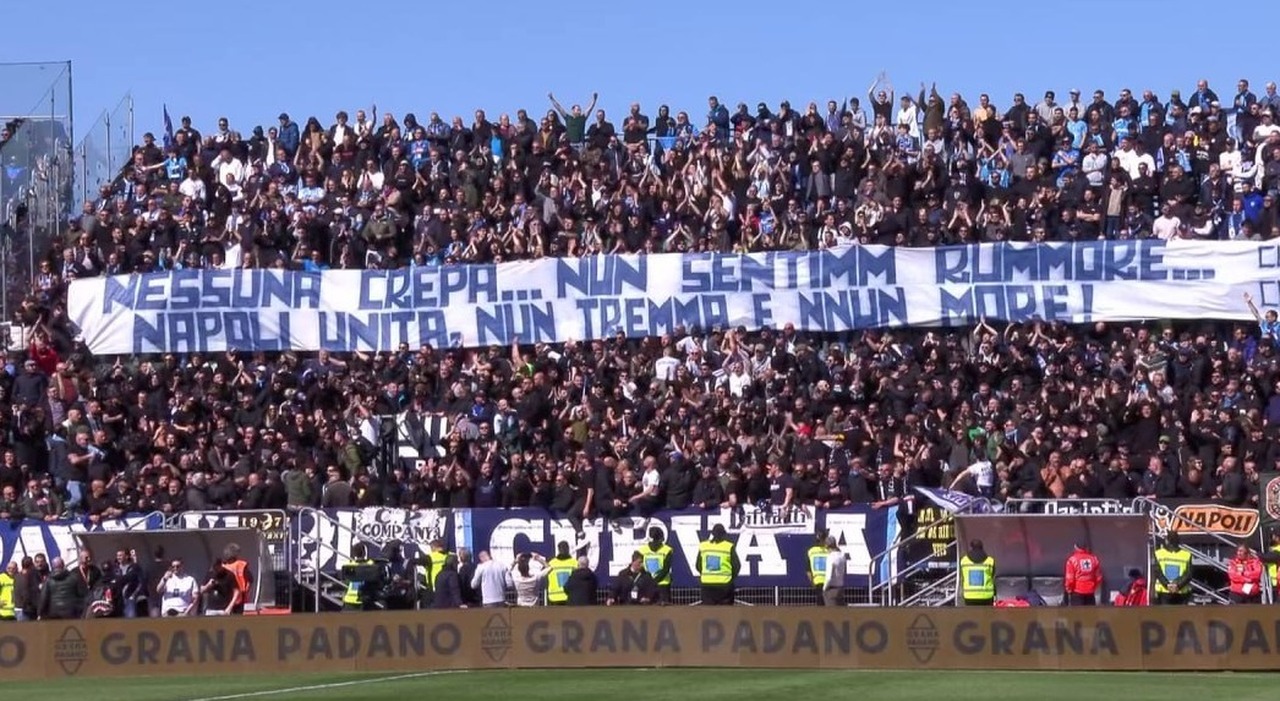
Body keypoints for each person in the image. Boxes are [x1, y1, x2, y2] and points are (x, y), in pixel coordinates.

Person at [697, 524, 739, 606]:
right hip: (724, 585)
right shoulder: (728, 546)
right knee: (726, 613)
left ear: (712, 534)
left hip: (707, 585)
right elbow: (736, 566)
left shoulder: (703, 546)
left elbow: (698, 565)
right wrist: (730, 577)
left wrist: (707, 574)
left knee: (708, 613)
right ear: (724, 534)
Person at [1153, 533, 1193, 605]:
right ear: (1178, 541)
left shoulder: (1158, 554)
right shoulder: (1187, 555)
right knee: (1181, 615)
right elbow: (1189, 574)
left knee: (1165, 616)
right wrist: (1177, 585)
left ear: (1167, 541)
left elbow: (1157, 572)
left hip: (1164, 592)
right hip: (1181, 592)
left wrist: (1167, 585)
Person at [340, 542, 380, 611]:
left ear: (353, 554)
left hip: (349, 600)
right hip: (362, 600)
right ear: (364, 553)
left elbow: (345, 582)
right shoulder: (370, 565)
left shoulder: (349, 566)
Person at [415, 538, 453, 609]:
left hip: (433, 588)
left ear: (433, 547)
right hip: (448, 587)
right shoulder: (450, 555)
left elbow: (416, 561)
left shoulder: (429, 557)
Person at [640, 527, 673, 605]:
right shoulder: (667, 550)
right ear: (662, 537)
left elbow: (640, 568)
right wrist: (656, 580)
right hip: (663, 584)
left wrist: (650, 581)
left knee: (647, 608)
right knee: (665, 609)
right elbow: (666, 569)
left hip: (647, 583)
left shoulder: (642, 550)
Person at [958, 539, 996, 607]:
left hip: (969, 596)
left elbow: (962, 576)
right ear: (982, 547)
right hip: (986, 597)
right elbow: (993, 576)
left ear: (971, 547)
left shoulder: (963, 561)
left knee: (971, 616)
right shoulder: (990, 561)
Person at [219, 544, 253, 615]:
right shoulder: (241, 565)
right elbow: (250, 580)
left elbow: (249, 580)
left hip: (231, 597)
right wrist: (245, 591)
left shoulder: (223, 566)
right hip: (236, 597)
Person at [544, 541, 577, 606]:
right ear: (568, 549)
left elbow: (546, 580)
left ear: (558, 549)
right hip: (569, 597)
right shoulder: (575, 563)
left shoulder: (551, 563)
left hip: (554, 597)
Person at [821, 537, 848, 607]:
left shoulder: (830, 557)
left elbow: (828, 577)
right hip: (840, 588)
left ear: (827, 546)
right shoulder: (842, 556)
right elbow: (844, 571)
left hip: (831, 589)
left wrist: (824, 589)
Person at [806, 529, 829, 605]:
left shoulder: (811, 551)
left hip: (817, 581)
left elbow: (808, 571)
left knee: (820, 605)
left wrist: (812, 582)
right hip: (829, 581)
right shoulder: (829, 551)